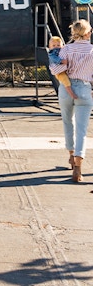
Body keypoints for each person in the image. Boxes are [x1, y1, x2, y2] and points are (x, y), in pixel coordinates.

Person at [49, 20, 93, 182]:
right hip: (84, 88)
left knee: (68, 123)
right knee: (82, 130)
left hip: (66, 88)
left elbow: (55, 68)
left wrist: (65, 66)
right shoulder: (92, 50)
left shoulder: (66, 49)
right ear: (87, 33)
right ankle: (78, 169)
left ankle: (70, 156)